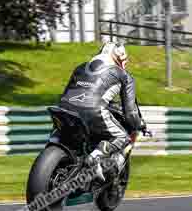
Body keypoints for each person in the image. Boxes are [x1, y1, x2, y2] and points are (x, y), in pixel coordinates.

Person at [56, 41, 146, 182]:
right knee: (123, 138)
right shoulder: (125, 76)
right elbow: (130, 113)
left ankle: (54, 145)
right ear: (118, 58)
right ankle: (96, 156)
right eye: (124, 60)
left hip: (64, 108)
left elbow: (66, 94)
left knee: (61, 133)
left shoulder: (80, 67)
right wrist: (138, 125)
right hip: (94, 111)